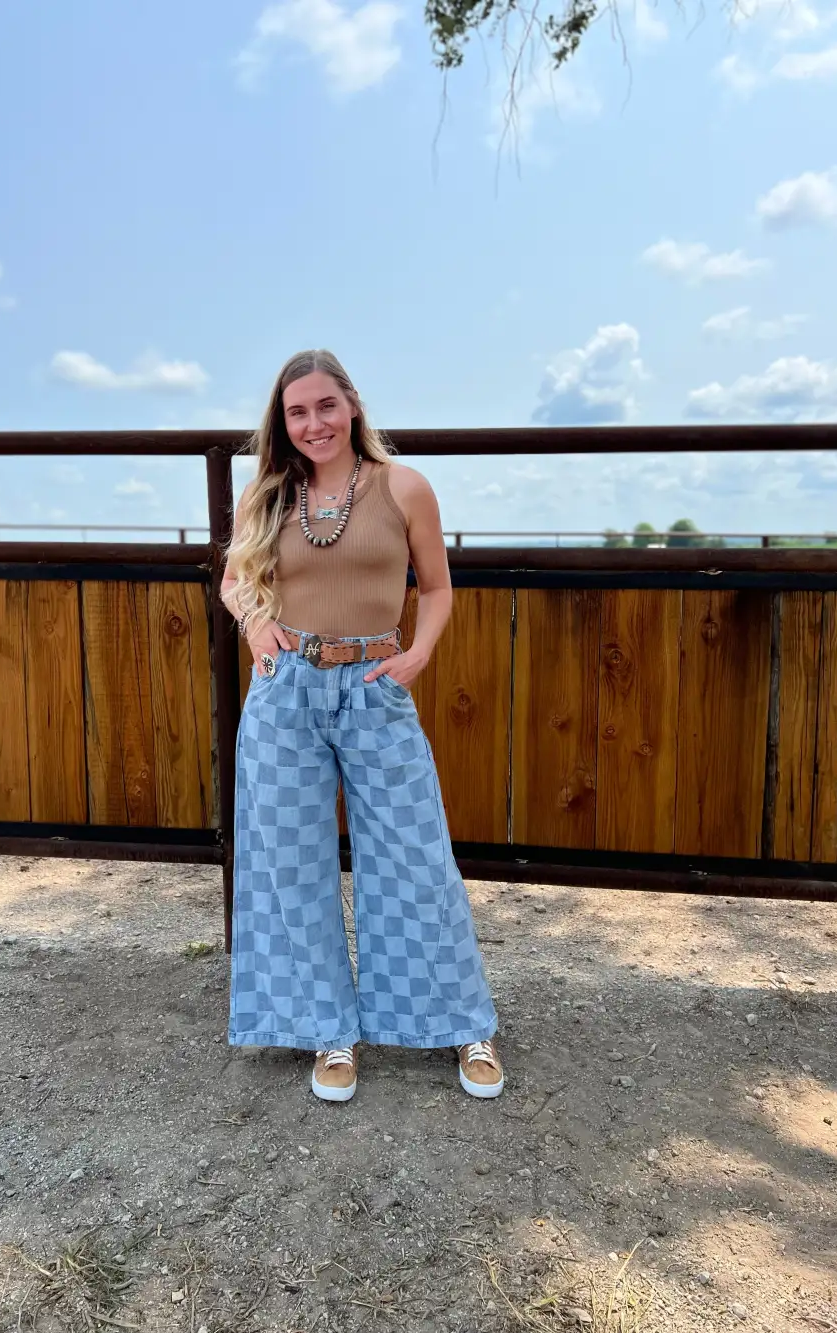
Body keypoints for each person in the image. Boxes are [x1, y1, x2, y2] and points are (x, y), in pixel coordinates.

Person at [220, 349, 503, 1103]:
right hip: (286, 691)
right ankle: (328, 1030)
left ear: (352, 405)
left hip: (376, 684)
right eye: (296, 411)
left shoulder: (404, 487)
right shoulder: (268, 493)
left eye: (324, 406)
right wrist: (254, 626)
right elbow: (232, 578)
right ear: (283, 422)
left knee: (415, 856)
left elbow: (436, 588)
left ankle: (463, 1023)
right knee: (291, 861)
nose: (313, 423)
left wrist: (419, 654)